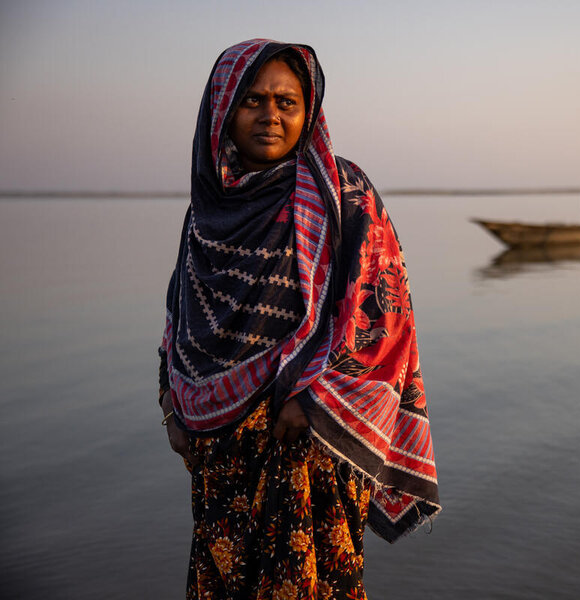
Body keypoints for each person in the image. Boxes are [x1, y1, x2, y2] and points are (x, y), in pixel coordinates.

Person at [158, 39, 439, 599]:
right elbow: (182, 311)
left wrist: (312, 401)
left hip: (310, 438)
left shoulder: (344, 192)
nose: (271, 116)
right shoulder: (208, 206)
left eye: (287, 103)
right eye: (253, 101)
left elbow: (385, 314)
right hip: (220, 446)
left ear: (308, 112)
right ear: (221, 109)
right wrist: (170, 398)